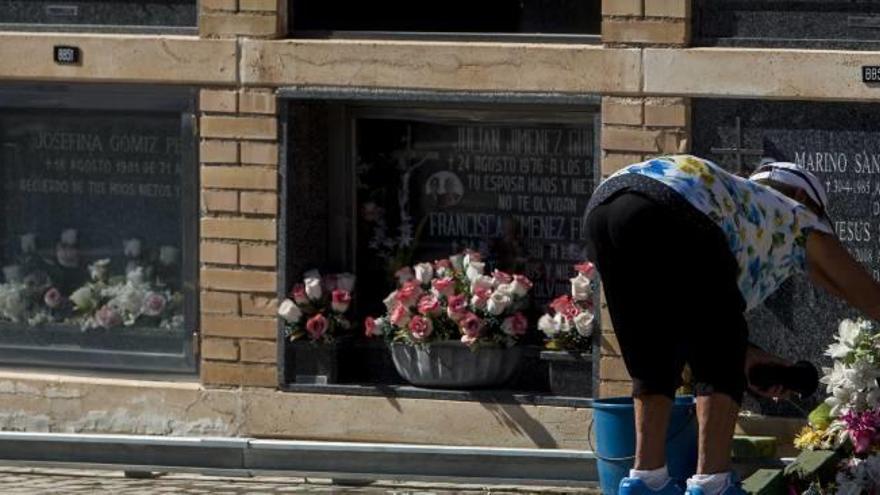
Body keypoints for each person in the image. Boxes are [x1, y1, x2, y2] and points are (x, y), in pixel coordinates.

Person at [583, 155, 880, 495]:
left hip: (604, 209)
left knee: (654, 356)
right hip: (674, 205)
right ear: (803, 197)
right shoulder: (795, 213)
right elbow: (864, 293)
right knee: (718, 358)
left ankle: (645, 481)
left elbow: (699, 322)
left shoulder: (736, 208)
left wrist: (750, 357)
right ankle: (713, 485)